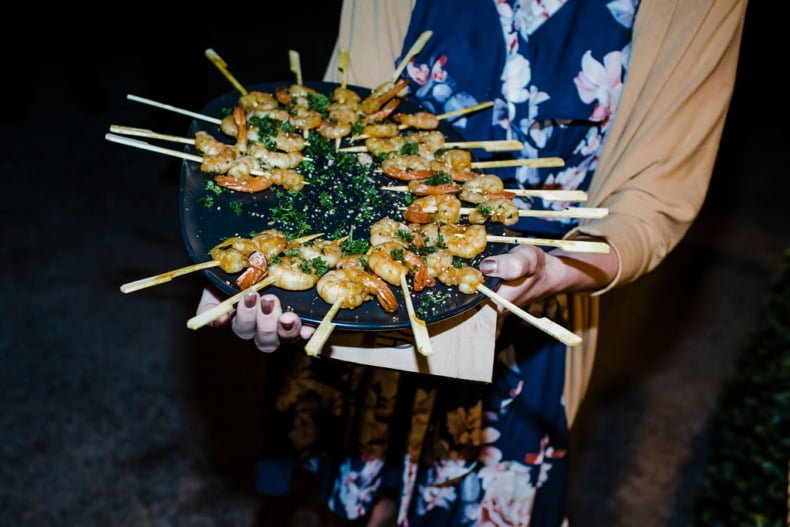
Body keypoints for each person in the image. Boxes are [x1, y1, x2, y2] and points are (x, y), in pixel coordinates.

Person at [197, 0, 748, 524]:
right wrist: (267, 258)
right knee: (356, 488)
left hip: (538, 300)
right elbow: (355, 106)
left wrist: (557, 270)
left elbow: (652, 201)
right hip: (369, 274)